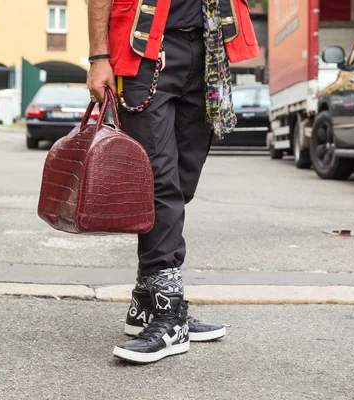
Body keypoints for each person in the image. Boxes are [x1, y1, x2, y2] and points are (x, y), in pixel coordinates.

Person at [86, 0, 260, 364]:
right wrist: (98, 57)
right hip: (146, 49)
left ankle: (146, 300)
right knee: (157, 180)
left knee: (182, 182)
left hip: (210, 49)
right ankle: (170, 314)